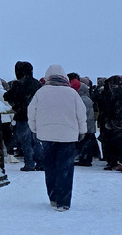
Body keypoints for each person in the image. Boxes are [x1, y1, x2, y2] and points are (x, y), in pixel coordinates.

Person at [29, 64, 86, 212]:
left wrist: (34, 130)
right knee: (65, 168)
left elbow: (31, 113)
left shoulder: (40, 93)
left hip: (46, 136)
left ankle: (53, 198)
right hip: (68, 136)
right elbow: (81, 114)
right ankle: (63, 202)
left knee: (50, 167)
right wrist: (82, 131)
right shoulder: (72, 93)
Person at [5, 61, 43, 171]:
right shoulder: (37, 84)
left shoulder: (17, 84)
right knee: (37, 141)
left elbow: (9, 96)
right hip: (36, 116)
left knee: (25, 142)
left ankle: (29, 163)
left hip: (22, 115)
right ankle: (41, 163)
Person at [98, 75, 122, 170]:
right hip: (113, 121)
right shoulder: (112, 93)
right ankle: (115, 162)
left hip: (112, 122)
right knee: (116, 142)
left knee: (114, 142)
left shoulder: (111, 93)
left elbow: (110, 108)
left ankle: (114, 162)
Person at [74, 80, 97, 166]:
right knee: (87, 143)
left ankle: (85, 159)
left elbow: (83, 114)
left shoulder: (82, 100)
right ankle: (86, 158)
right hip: (90, 125)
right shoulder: (87, 99)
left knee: (85, 144)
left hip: (86, 125)